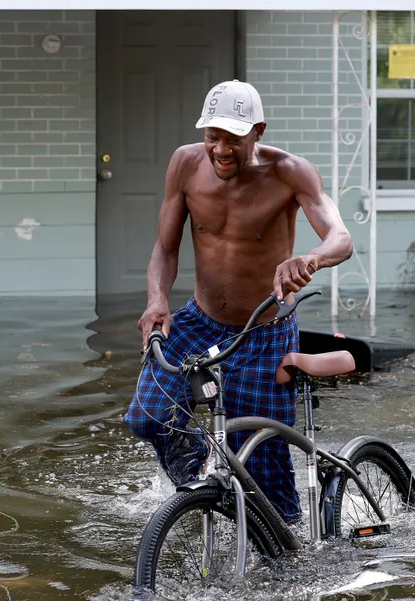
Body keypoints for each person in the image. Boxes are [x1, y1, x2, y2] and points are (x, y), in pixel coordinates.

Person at [122, 79, 354, 522]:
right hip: (198, 321)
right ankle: (200, 486)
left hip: (265, 331)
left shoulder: (290, 171)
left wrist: (311, 258)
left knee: (266, 470)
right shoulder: (185, 165)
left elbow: (340, 239)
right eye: (214, 137)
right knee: (149, 417)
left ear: (258, 131)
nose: (221, 149)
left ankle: (282, 546)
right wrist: (157, 300)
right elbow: (166, 248)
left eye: (234, 138)